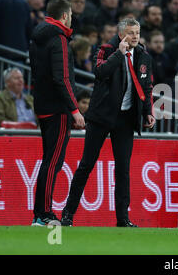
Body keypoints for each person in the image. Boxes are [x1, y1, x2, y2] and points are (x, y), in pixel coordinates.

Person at [61, 18, 155, 227]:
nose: (135, 37)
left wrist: (148, 112)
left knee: (123, 169)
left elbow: (147, 86)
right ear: (121, 35)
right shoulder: (106, 50)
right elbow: (100, 73)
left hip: (126, 118)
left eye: (137, 32)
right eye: (131, 33)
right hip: (102, 116)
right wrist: (118, 54)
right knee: (86, 164)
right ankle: (68, 214)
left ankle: (122, 219)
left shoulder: (143, 56)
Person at [29, 0, 85, 226]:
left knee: (48, 160)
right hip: (58, 109)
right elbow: (62, 78)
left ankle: (39, 213)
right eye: (70, 14)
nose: (71, 18)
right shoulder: (59, 38)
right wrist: (74, 110)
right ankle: (43, 214)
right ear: (64, 16)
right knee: (53, 162)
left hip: (42, 106)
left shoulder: (37, 38)